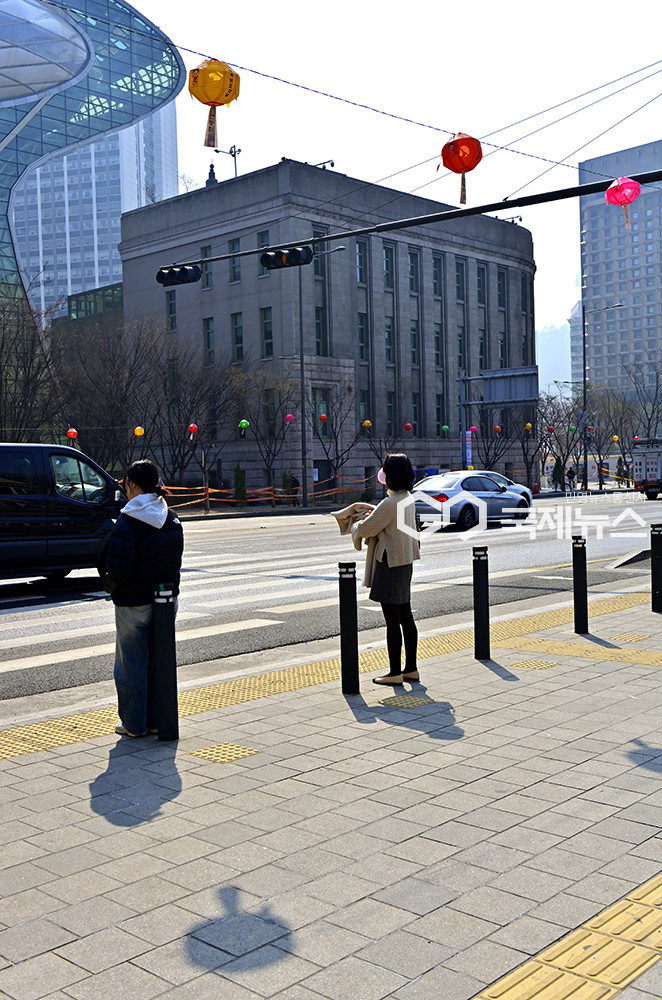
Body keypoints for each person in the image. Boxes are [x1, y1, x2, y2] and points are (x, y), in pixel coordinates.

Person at [104, 460, 184, 737]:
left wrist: (111, 588)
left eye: (125, 482)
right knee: (157, 661)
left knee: (131, 665)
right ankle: (156, 720)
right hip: (164, 602)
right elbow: (175, 563)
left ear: (134, 485)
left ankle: (134, 724)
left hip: (133, 603)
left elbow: (118, 568)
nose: (124, 488)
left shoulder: (129, 520)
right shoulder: (170, 516)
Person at [351, 453, 421, 685]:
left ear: (390, 476)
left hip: (389, 564)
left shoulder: (390, 503)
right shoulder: (407, 498)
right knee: (406, 617)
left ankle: (394, 673)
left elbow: (367, 528)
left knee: (392, 620)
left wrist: (355, 524)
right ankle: (410, 668)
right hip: (405, 562)